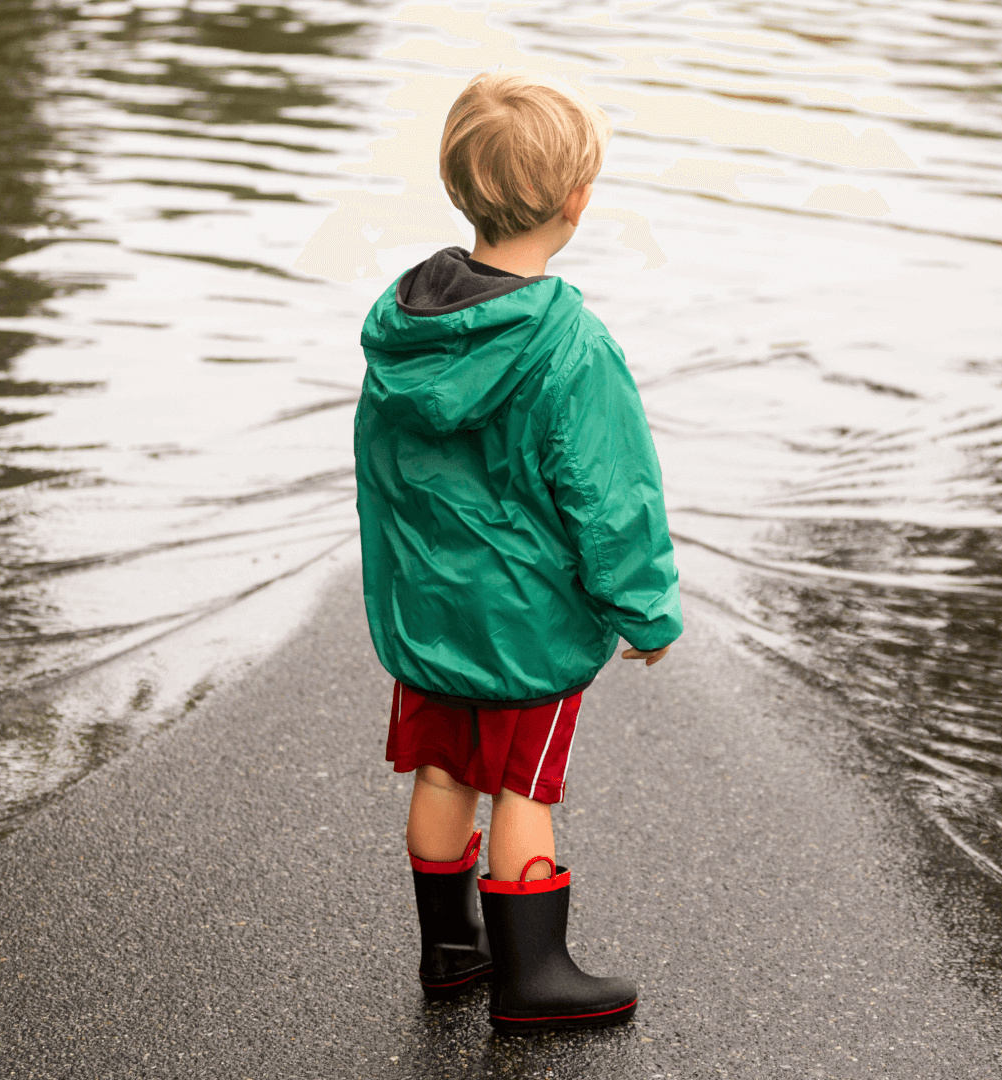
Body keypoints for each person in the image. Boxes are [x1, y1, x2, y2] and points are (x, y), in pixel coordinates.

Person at [354, 69, 683, 1035]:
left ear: (459, 188)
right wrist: (646, 611)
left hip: (430, 611)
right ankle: (532, 975)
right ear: (578, 203)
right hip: (524, 628)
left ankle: (451, 949)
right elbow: (612, 498)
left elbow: (384, 470)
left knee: (444, 771)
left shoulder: (403, 329)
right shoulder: (569, 346)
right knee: (522, 787)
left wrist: (405, 578)